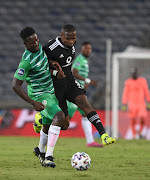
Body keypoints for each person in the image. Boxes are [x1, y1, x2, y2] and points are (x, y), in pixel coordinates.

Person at [41, 24, 116, 145]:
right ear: (61, 36)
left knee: (84, 103)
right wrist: (52, 65)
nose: (71, 41)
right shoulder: (50, 47)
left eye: (73, 38)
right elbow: (40, 64)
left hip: (70, 82)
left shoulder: (72, 46)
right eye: (68, 39)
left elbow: (69, 68)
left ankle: (104, 135)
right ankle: (42, 120)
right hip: (56, 87)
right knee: (64, 124)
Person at [12, 27, 66, 168]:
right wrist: (33, 102)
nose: (35, 44)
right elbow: (15, 85)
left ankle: (40, 151)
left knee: (47, 124)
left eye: (36, 40)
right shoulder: (26, 61)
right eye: (31, 43)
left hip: (50, 91)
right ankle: (48, 157)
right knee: (59, 117)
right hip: (39, 94)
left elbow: (41, 69)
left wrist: (54, 73)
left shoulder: (40, 49)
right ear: (25, 44)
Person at [67, 41, 103, 147]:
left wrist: (84, 84)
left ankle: (90, 141)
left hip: (80, 92)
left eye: (89, 49)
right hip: (74, 93)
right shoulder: (80, 59)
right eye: (86, 48)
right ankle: (42, 124)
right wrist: (87, 81)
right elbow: (74, 73)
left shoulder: (85, 61)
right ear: (82, 49)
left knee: (85, 115)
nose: (88, 50)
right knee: (65, 119)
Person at [122, 67, 150, 139]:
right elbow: (125, 93)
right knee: (132, 119)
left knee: (142, 117)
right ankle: (134, 134)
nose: (134, 75)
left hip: (141, 103)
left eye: (135, 73)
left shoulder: (142, 81)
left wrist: (148, 100)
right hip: (132, 104)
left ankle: (140, 132)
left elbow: (146, 91)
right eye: (132, 74)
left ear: (137, 73)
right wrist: (124, 103)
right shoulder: (128, 82)